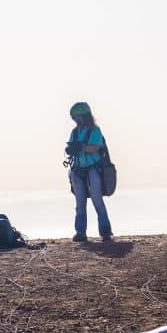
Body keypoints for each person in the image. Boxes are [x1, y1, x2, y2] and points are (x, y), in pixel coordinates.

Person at [64, 101, 113, 242]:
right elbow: (72, 146)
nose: (74, 120)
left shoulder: (95, 130)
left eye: (76, 117)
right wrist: (70, 149)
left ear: (84, 116)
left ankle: (105, 231)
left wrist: (80, 147)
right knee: (80, 203)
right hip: (78, 169)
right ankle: (80, 233)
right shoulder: (74, 132)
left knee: (97, 200)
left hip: (93, 168)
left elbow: (95, 147)